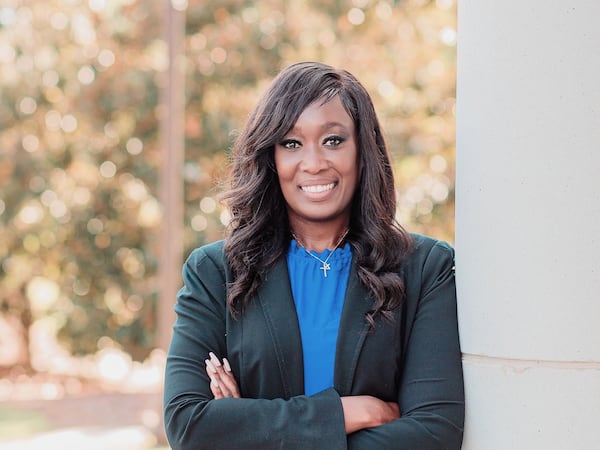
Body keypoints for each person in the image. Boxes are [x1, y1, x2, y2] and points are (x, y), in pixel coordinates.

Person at [163, 61, 464, 449]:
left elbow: (434, 432)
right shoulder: (214, 273)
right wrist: (353, 412)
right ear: (270, 156)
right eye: (291, 143)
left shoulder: (425, 268)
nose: (314, 163)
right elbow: (189, 425)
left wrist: (252, 430)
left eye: (333, 140)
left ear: (363, 150)